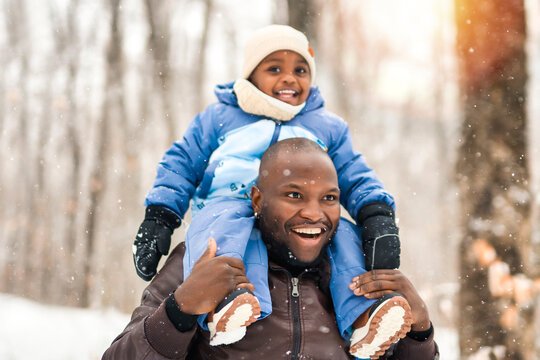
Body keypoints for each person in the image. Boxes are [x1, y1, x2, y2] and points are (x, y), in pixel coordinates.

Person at [132, 24, 401, 351]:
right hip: (227, 203)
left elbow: (353, 171)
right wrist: (160, 216)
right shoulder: (220, 117)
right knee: (227, 232)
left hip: (296, 218)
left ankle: (362, 317)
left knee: (345, 235)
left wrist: (376, 214)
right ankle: (228, 299)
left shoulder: (326, 126)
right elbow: (181, 162)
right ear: (250, 75)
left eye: (300, 70)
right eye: (275, 68)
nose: (290, 78)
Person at [106, 139, 438, 359]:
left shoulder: (357, 273)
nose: (314, 212)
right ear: (258, 200)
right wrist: (180, 310)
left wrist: (419, 333)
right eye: (294, 195)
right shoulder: (203, 256)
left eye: (329, 198)